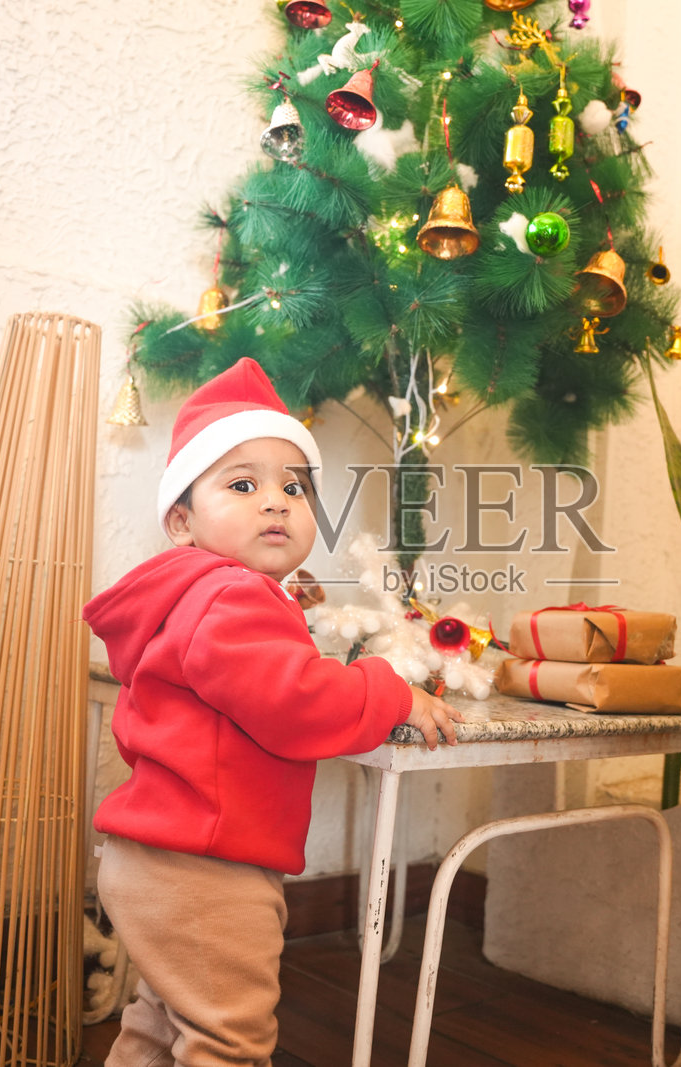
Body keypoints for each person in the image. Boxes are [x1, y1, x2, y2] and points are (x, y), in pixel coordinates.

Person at [86, 357, 463, 1066]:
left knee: (162, 1025)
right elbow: (294, 702)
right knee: (230, 1040)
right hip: (204, 867)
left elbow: (267, 685)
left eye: (294, 486)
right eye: (242, 484)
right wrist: (387, 687)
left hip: (156, 856)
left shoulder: (190, 596)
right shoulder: (229, 594)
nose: (276, 501)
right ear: (180, 521)